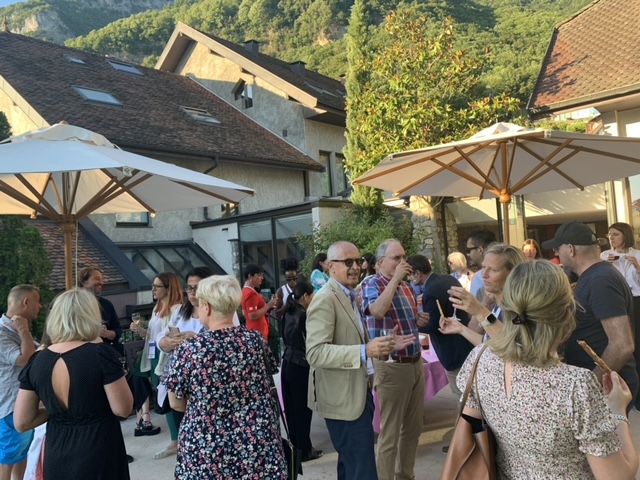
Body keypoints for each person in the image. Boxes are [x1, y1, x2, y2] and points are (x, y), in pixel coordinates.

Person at [457, 260, 639, 479]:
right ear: (566, 312)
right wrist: (618, 411)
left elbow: (472, 425)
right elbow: (619, 477)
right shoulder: (576, 385)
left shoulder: (479, 359)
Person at [165, 275, 287, 479]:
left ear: (207, 307)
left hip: (207, 447)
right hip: (257, 443)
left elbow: (176, 402)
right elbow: (266, 381)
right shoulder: (255, 341)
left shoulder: (190, 349)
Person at [306, 241, 409, 480]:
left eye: (358, 260)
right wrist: (364, 350)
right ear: (331, 267)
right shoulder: (326, 299)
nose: (356, 267)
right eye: (348, 262)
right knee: (362, 471)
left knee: (351, 467)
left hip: (358, 397)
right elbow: (315, 353)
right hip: (343, 402)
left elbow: (353, 340)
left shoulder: (349, 294)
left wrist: (383, 345)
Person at [14, 289, 133, 480]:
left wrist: (56, 410)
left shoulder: (37, 360)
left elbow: (22, 422)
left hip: (57, 450)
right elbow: (123, 409)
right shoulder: (101, 355)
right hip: (99, 448)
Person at [543, 221, 639, 410]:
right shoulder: (594, 276)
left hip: (607, 389)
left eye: (557, 248)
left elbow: (622, 344)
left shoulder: (600, 279)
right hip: (605, 384)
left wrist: (590, 385)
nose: (556, 253)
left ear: (570, 249)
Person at [361, 239, 430, 480]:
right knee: (389, 433)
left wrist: (418, 319)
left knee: (413, 430)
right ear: (380, 263)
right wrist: (394, 280)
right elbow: (377, 310)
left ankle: (405, 476)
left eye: (404, 257)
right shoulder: (371, 283)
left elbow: (406, 321)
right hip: (391, 365)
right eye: (396, 258)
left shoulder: (407, 287)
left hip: (414, 362)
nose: (403, 262)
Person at [78, 266, 159, 446]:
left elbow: (118, 330)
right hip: (84, 360)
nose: (101, 282)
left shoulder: (106, 304)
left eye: (102, 278)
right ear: (84, 281)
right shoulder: (76, 305)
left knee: (128, 388)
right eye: (96, 279)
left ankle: (119, 442)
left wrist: (108, 335)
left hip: (107, 358)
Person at [130, 271, 183, 458]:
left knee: (171, 398)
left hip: (166, 358)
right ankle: (175, 441)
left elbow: (172, 336)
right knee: (162, 398)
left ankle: (178, 441)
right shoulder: (156, 309)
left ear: (168, 288)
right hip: (153, 357)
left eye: (156, 286)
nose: (153, 289)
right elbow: (153, 337)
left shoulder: (177, 309)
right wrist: (140, 330)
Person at [407, 254, 473, 398]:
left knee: (462, 397)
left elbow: (435, 325)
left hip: (452, 350)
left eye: (410, 276)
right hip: (468, 341)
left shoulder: (430, 291)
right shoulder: (448, 278)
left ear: (417, 273)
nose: (409, 280)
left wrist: (415, 325)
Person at [440, 243, 527, 346]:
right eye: (483, 267)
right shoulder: (496, 303)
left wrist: (479, 310)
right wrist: (461, 329)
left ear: (513, 273)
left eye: (493, 270)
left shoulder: (521, 307)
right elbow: (488, 341)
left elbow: (511, 347)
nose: (484, 275)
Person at [280, 280, 323, 462]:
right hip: (300, 364)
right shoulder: (305, 314)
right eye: (312, 296)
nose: (312, 299)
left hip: (287, 362)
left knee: (291, 409)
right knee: (303, 410)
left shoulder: (287, 312)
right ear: (305, 296)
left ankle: (296, 447)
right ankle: (305, 450)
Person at [0, 285, 40, 480]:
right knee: (6, 460)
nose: (39, 306)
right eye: (37, 301)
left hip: (21, 402)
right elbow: (25, 359)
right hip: (8, 407)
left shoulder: (13, 329)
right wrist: (24, 330)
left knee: (21, 454)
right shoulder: (2, 333)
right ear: (26, 302)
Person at [601, 222, 640, 408]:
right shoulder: (603, 256)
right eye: (609, 234)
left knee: (636, 344)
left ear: (625, 235)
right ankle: (622, 390)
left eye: (615, 234)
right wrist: (605, 267)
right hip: (615, 302)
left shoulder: (637, 255)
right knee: (619, 343)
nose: (611, 237)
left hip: (637, 301)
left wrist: (638, 268)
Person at [241, 263, 277, 341]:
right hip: (257, 331)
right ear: (250, 276)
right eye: (259, 275)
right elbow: (252, 315)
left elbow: (245, 312)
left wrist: (267, 308)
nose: (262, 278)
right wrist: (268, 305)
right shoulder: (250, 293)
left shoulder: (246, 291)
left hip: (256, 330)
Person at [465, 228, 497, 297]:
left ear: (480, 249)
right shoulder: (510, 270)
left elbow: (474, 306)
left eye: (468, 250)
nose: (468, 254)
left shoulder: (479, 277)